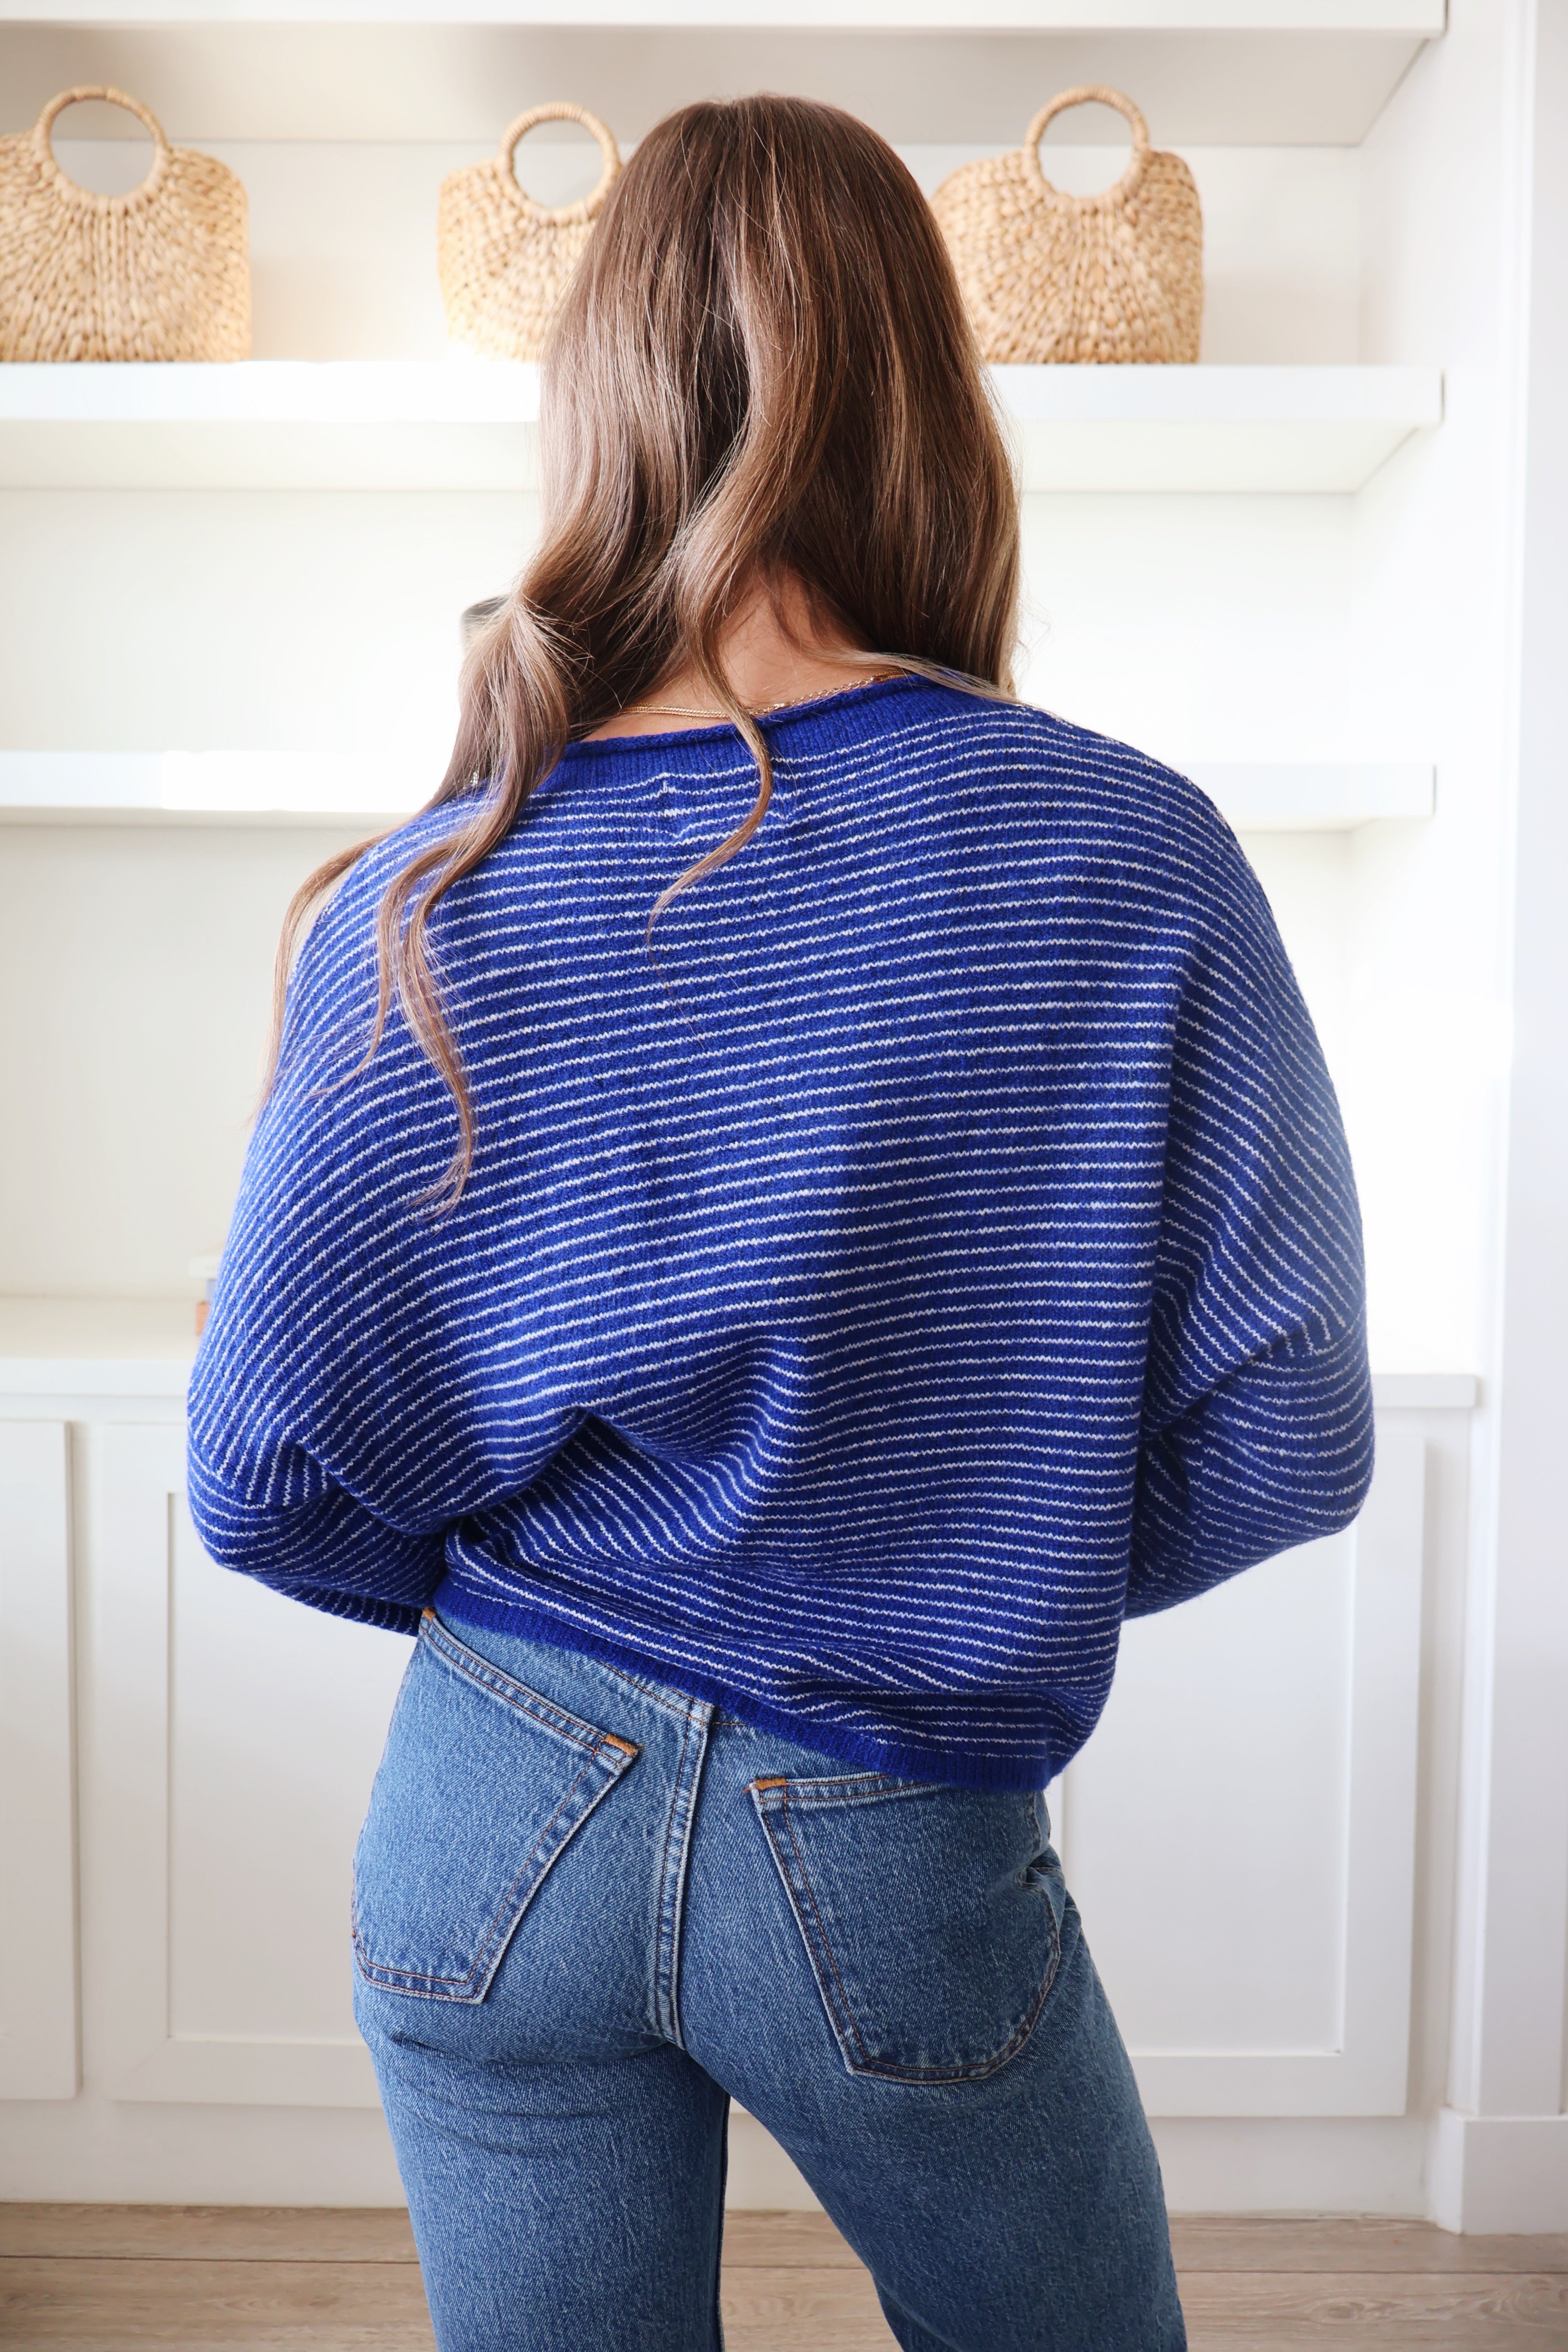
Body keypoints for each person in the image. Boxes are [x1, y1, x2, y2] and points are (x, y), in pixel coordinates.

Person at [188, 94, 1374, 2352]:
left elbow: (265, 1477)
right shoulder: (1130, 856)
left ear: (601, 403)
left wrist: (596, 1607)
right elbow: (1288, 1434)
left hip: (494, 1786)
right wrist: (956, 1545)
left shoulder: (432, 889)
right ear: (932, 400)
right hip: (895, 1823)